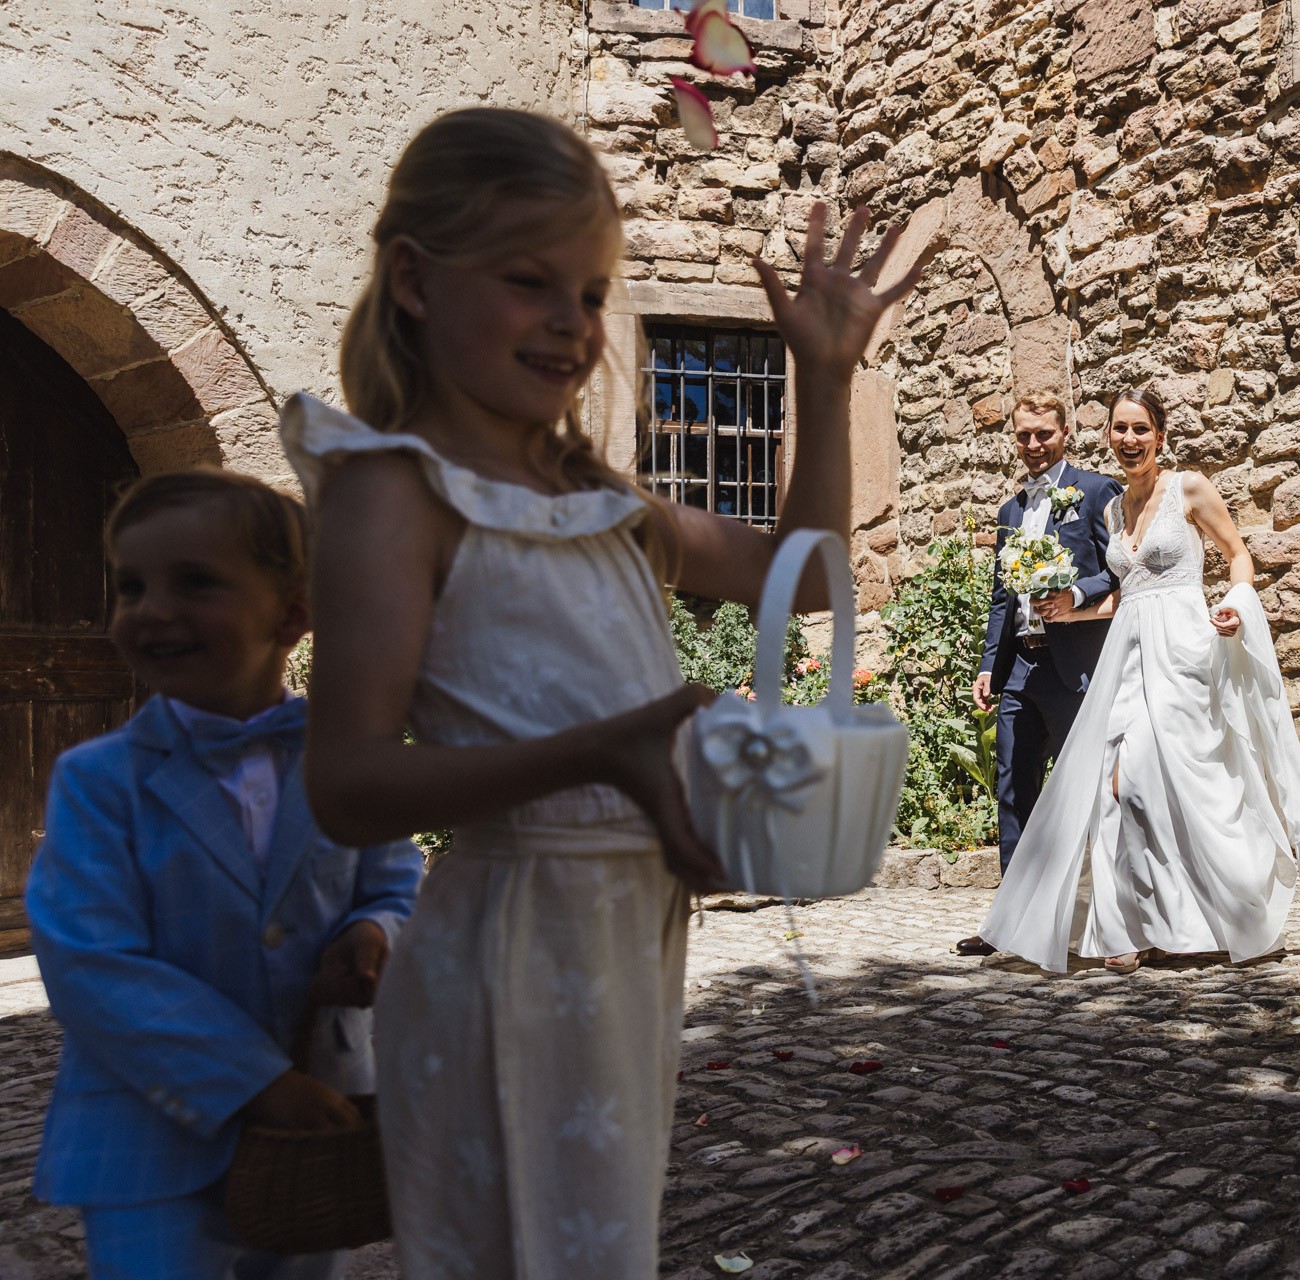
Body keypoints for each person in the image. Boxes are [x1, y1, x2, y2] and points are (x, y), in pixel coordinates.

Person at [283, 108, 921, 1279]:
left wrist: (826, 378)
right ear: (415, 280)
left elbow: (805, 571)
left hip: (621, 950)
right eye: (529, 282)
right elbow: (346, 782)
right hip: (508, 956)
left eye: (590, 293)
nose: (573, 324)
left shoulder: (605, 502)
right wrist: (603, 751)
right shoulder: (396, 490)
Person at [27, 470, 423, 1280]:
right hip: (147, 1142)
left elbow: (394, 880)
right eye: (131, 587)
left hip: (320, 1121)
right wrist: (253, 1081)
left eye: (195, 582)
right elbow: (91, 963)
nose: (152, 610)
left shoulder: (347, 757)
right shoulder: (97, 780)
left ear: (293, 615)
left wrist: (373, 931)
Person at [973, 389, 1300, 973]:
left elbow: (1238, 554)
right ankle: (1131, 928)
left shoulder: (1189, 488)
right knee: (1118, 787)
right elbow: (1126, 593)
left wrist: (1236, 603)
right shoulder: (1114, 511)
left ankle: (1223, 914)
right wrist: (1070, 610)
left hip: (1184, 650)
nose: (1130, 439)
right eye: (1120, 429)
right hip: (1128, 654)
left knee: (1186, 784)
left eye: (1140, 429)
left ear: (1159, 435)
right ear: (1108, 436)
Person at [954, 393, 1123, 957]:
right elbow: (1001, 599)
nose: (1033, 445)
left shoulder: (1095, 491)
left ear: (1065, 433)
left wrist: (1074, 594)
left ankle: (1106, 920)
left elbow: (1119, 571)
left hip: (1076, 664)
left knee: (1091, 790)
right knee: (1012, 785)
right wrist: (989, 666)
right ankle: (1011, 923)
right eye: (1024, 435)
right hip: (1022, 665)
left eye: (1043, 434)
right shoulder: (1009, 511)